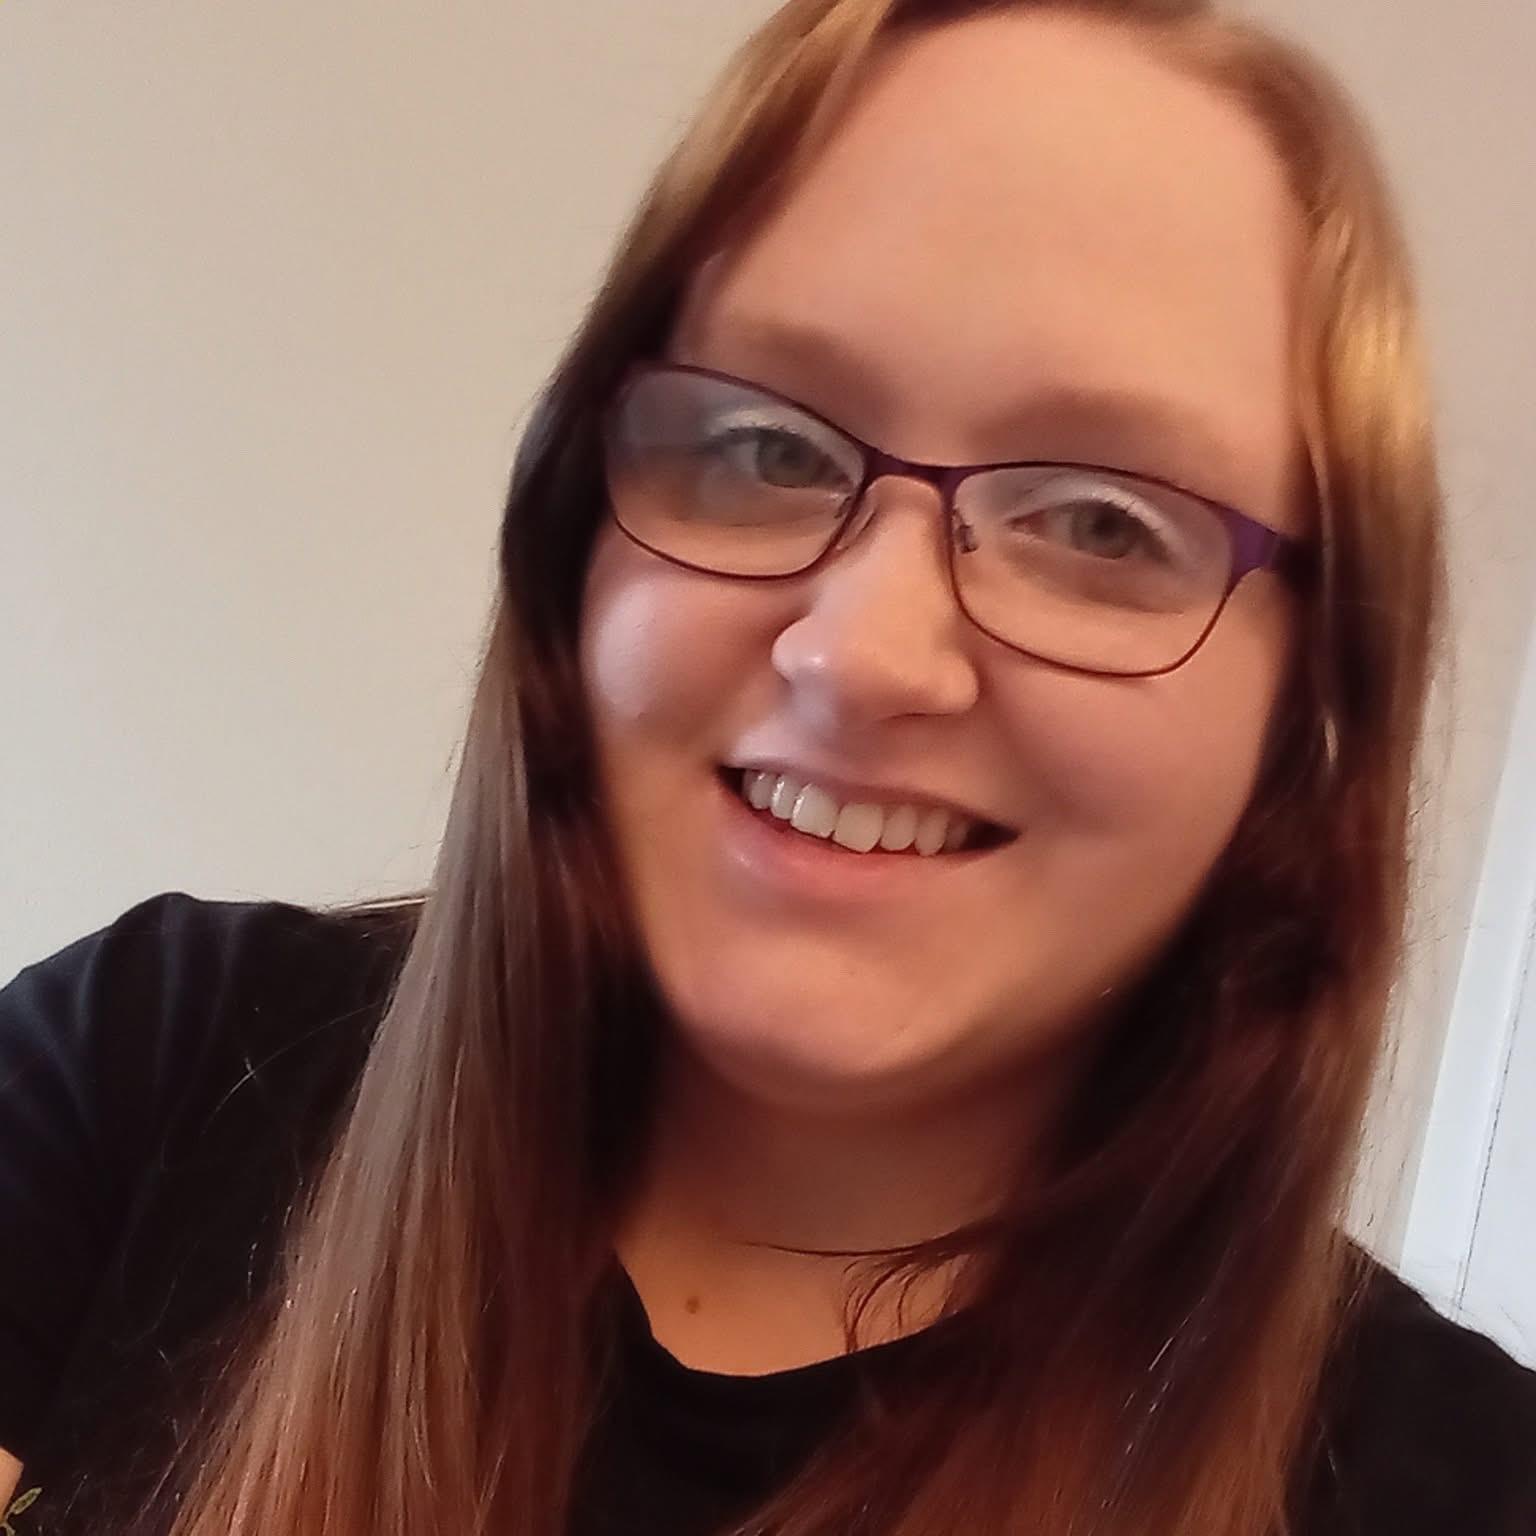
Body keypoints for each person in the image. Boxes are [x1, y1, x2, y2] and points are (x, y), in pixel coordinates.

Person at [2, 0, 1533, 1532]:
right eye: (768, 448)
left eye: (1102, 526)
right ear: (573, 527)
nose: (862, 657)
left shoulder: (1459, 1484)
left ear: (1310, 710)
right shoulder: (150, 1072)